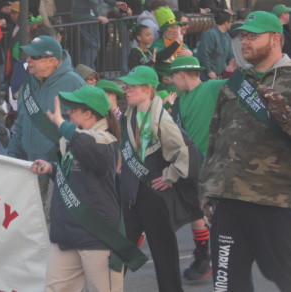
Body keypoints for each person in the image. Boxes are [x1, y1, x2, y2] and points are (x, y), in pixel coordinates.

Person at [199, 11, 291, 291]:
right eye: (243, 36)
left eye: (253, 36)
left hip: (274, 200)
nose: (244, 42)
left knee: (286, 278)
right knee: (225, 282)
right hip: (229, 198)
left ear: (276, 38)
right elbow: (216, 138)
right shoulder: (235, 82)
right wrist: (208, 188)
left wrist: (286, 115)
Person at [29, 85, 126, 291]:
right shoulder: (77, 138)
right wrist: (53, 169)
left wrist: (62, 125)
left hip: (96, 234)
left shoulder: (104, 141)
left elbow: (93, 155)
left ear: (88, 114)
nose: (67, 113)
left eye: (73, 109)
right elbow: (78, 172)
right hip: (67, 232)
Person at [118, 65, 201, 292]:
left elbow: (182, 152)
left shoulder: (162, 119)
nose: (127, 91)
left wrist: (170, 176)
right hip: (131, 194)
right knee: (121, 249)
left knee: (163, 251)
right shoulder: (130, 114)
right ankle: (106, 287)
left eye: (132, 87)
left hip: (154, 196)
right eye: (126, 86)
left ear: (147, 89)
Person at [7, 35, 85, 222]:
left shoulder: (74, 83)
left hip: (61, 172)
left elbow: (87, 129)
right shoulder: (28, 83)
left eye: (34, 57)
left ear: (52, 61)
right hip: (30, 170)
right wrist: (11, 157)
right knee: (31, 224)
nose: (28, 60)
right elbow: (21, 125)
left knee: (56, 224)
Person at [170, 56, 228, 280]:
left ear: (182, 74)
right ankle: (203, 257)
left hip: (212, 165)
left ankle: (217, 261)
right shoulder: (180, 98)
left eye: (174, 76)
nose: (172, 80)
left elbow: (247, 84)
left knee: (214, 216)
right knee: (197, 211)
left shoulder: (213, 87)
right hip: (189, 166)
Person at [151, 6, 192, 92]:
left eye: (177, 27)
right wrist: (176, 43)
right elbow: (161, 57)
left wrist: (192, 55)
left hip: (184, 91)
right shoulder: (158, 44)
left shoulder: (183, 45)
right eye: (172, 28)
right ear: (164, 31)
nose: (177, 31)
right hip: (166, 91)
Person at [196, 11, 235, 81]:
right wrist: (209, 71)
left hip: (221, 74)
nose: (231, 23)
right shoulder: (209, 34)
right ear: (226, 23)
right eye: (231, 21)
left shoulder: (227, 36)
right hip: (207, 75)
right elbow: (204, 54)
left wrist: (233, 65)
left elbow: (230, 54)